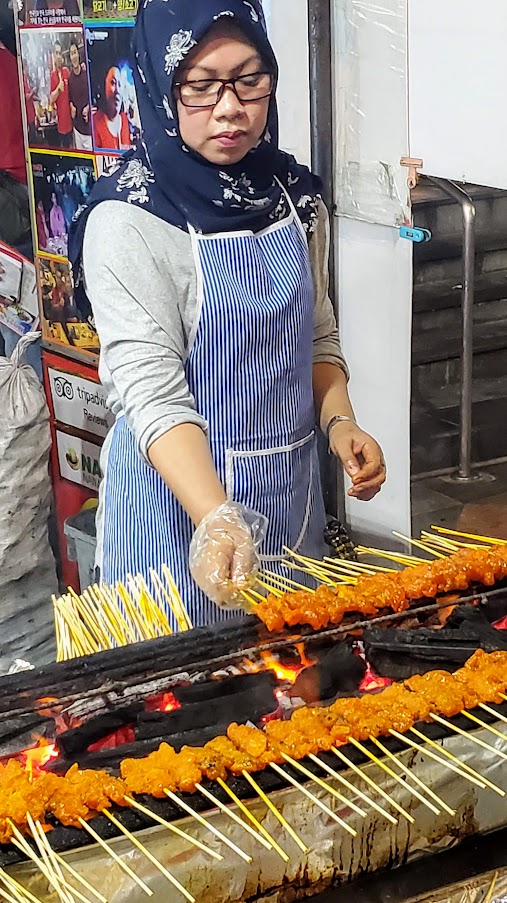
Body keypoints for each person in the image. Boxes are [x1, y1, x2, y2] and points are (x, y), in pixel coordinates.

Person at [72, 0, 386, 628]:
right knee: (180, 711)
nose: (230, 108)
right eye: (200, 85)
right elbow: (152, 394)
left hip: (290, 506)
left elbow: (316, 337)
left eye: (249, 79)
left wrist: (341, 424)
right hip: (171, 522)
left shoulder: (293, 197)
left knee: (290, 692)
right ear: (162, 85)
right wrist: (215, 517)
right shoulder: (128, 220)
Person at [92, 65, 131, 150]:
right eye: (113, 83)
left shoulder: (125, 120)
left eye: (120, 84)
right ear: (104, 87)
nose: (117, 90)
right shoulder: (95, 122)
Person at [68, 40, 92, 152]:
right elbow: (70, 98)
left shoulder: (86, 75)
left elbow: (93, 97)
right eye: (71, 54)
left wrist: (88, 107)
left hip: (88, 130)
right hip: (77, 129)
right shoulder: (70, 79)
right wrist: (71, 105)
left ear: (78, 54)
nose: (74, 56)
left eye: (75, 52)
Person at [49, 40, 72, 149]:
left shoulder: (67, 71)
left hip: (72, 124)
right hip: (61, 127)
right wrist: (58, 88)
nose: (58, 56)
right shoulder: (53, 76)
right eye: (56, 53)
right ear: (54, 55)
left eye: (60, 53)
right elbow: (51, 99)